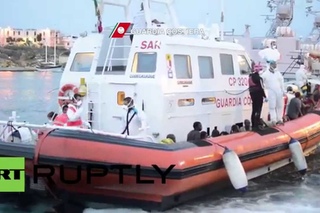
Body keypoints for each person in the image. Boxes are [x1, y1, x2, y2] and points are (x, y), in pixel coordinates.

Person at [261, 60, 285, 125]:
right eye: (273, 64)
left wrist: (283, 90)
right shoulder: (265, 74)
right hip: (271, 91)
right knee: (272, 106)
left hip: (279, 91)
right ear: (270, 65)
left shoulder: (278, 73)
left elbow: (281, 82)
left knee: (279, 105)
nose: (275, 65)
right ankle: (273, 119)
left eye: (275, 64)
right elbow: (261, 81)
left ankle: (279, 118)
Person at [249, 62, 266, 128]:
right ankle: (257, 123)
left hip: (252, 94)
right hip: (259, 95)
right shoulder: (259, 78)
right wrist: (265, 96)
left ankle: (253, 123)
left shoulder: (251, 76)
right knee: (258, 109)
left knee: (254, 109)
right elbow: (262, 88)